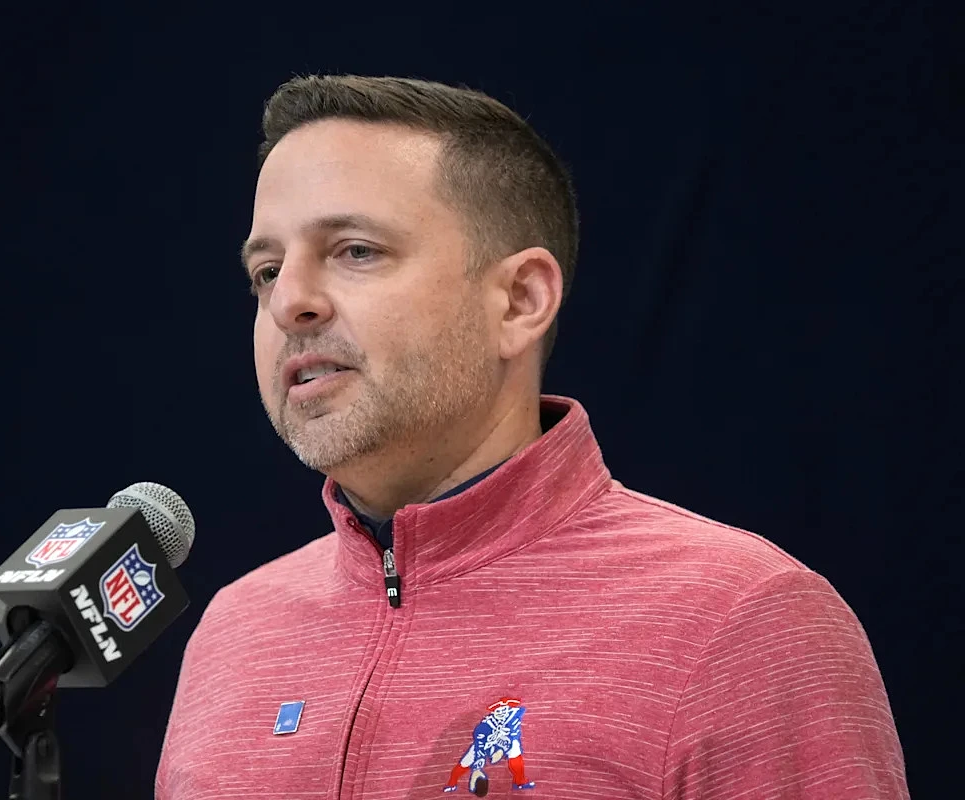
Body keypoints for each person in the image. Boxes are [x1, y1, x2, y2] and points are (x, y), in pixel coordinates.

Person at [155, 75, 908, 799]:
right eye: (266, 271)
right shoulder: (235, 634)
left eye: (356, 250)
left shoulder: (742, 620)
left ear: (520, 299)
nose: (289, 302)